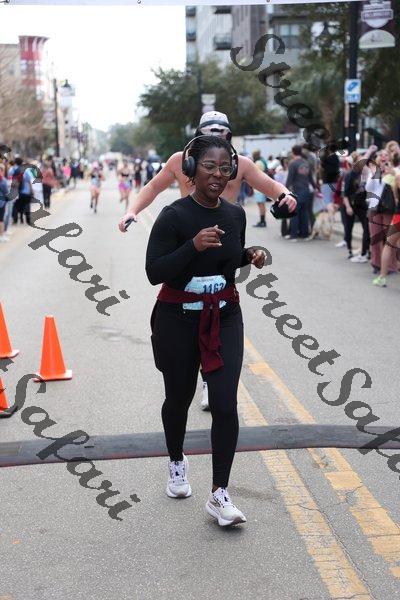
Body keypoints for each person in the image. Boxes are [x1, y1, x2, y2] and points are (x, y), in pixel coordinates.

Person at [120, 111, 296, 410]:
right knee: (188, 317)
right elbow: (152, 187)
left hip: (224, 245)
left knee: (221, 313)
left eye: (222, 133)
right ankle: (192, 379)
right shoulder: (179, 161)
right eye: (210, 132)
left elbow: (269, 185)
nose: (218, 173)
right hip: (189, 244)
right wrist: (132, 211)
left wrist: (286, 194)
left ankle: (212, 379)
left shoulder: (240, 164)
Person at [145, 135, 267, 527]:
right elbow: (154, 272)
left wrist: (250, 256)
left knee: (225, 403)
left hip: (224, 317)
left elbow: (229, 262)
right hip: (177, 319)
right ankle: (176, 462)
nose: (217, 174)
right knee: (178, 399)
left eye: (225, 168)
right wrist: (192, 247)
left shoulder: (235, 215)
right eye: (209, 166)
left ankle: (219, 494)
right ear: (191, 170)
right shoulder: (173, 216)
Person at [342, 152, 370, 262]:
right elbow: (344, 193)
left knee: (366, 228)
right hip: (350, 204)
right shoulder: (349, 175)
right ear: (354, 163)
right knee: (348, 228)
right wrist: (348, 207)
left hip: (362, 205)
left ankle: (366, 251)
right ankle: (349, 250)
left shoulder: (364, 173)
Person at [285, 145, 316, 242]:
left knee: (294, 213)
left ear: (293, 152)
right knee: (304, 213)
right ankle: (304, 234)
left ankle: (294, 235)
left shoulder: (293, 164)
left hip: (297, 191)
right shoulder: (306, 163)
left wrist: (285, 191)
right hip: (306, 191)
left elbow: (290, 179)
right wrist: (316, 188)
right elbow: (311, 179)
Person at [252, 149, 268, 227]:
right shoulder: (262, 161)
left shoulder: (258, 163)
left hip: (259, 186)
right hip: (262, 185)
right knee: (262, 204)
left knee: (260, 204)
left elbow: (255, 174)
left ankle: (262, 221)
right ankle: (262, 220)